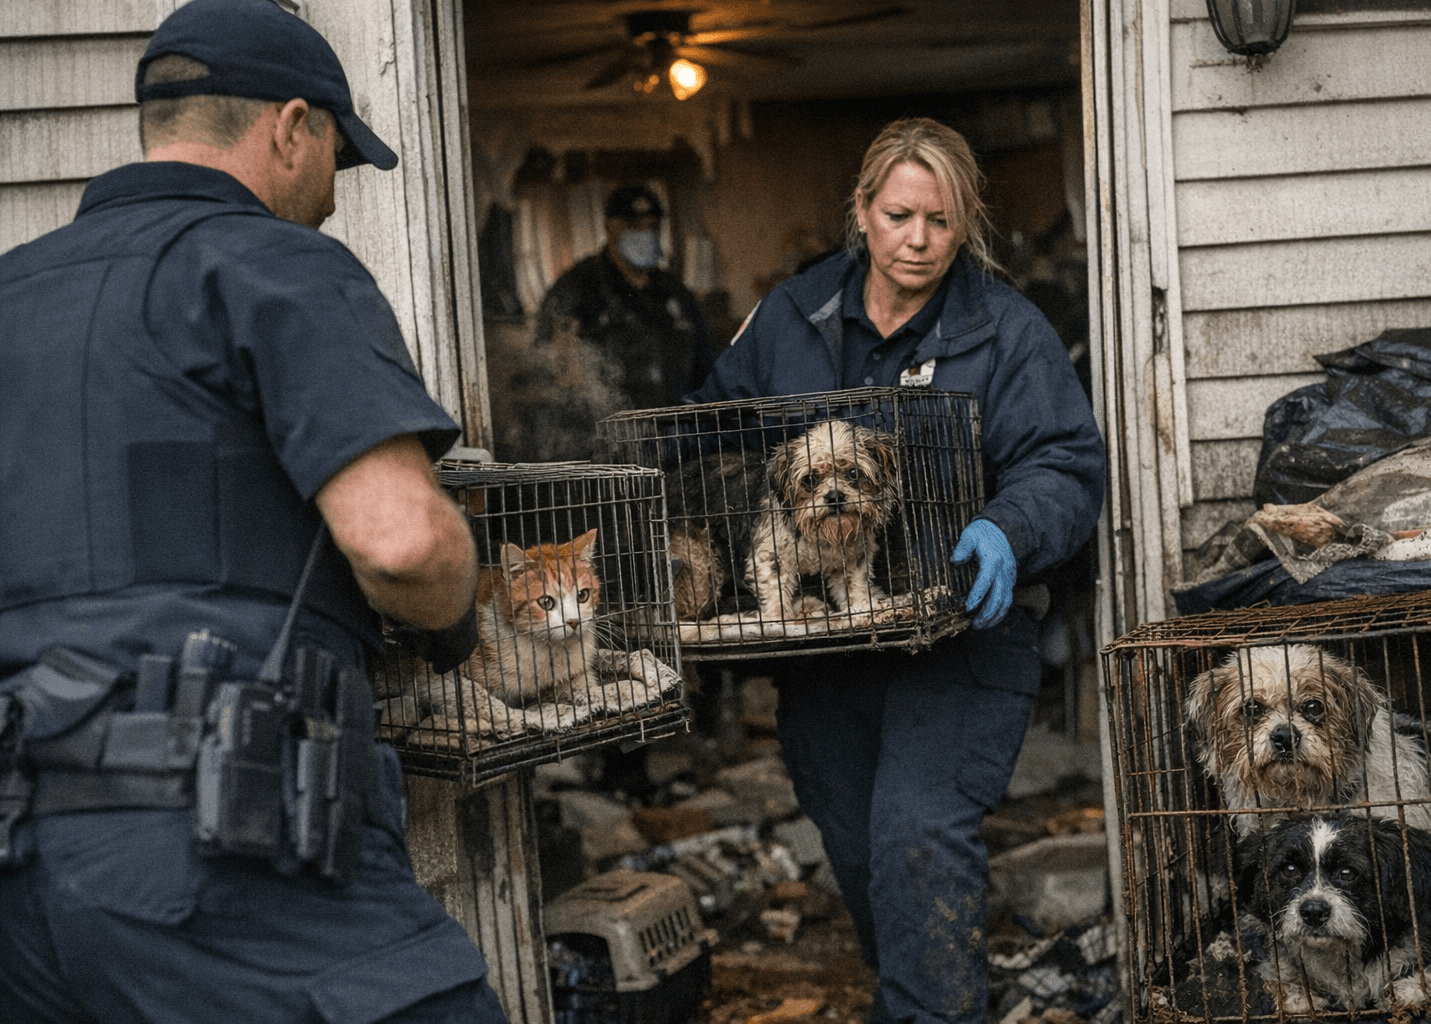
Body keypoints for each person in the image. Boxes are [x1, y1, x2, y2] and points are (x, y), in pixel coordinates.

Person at [0, 1, 510, 1021]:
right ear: (291, 127)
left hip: (20, 873)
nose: (329, 197)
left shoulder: (13, 295)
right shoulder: (275, 264)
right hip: (222, 844)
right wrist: (457, 617)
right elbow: (402, 543)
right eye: (335, 157)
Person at [688, 118, 1106, 1024]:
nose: (918, 240)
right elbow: (715, 432)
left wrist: (1007, 527)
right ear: (863, 212)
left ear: (967, 226)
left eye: (941, 221)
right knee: (859, 848)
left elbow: (1065, 463)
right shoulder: (792, 316)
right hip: (829, 649)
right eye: (899, 214)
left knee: (918, 836)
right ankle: (922, 998)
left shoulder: (1005, 331)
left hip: (956, 634)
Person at [534, 184, 716, 410]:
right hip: (607, 430)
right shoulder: (576, 289)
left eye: (652, 226)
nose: (645, 233)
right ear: (610, 227)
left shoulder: (675, 291)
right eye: (633, 225)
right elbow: (552, 367)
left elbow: (705, 362)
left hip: (674, 427)